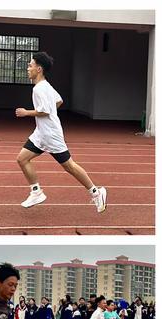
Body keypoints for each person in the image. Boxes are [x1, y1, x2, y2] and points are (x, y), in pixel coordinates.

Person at [15, 52, 107, 212]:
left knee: (69, 166)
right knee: (22, 159)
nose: (27, 68)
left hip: (51, 135)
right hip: (41, 134)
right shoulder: (46, 86)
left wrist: (26, 112)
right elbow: (59, 101)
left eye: (30, 65)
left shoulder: (39, 89)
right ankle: (36, 192)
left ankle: (96, 192)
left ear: (39, 69)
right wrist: (48, 117)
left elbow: (45, 110)